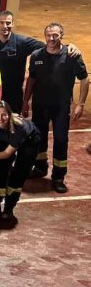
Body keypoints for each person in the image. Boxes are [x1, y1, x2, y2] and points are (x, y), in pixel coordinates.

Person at [23, 22, 88, 192]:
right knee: (38, 138)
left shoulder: (72, 55)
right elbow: (32, 79)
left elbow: (84, 78)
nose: (51, 39)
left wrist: (80, 104)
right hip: (40, 106)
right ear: (44, 36)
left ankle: (58, 176)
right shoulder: (36, 55)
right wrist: (25, 102)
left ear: (62, 36)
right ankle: (40, 167)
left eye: (55, 35)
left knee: (60, 140)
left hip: (60, 108)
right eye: (48, 35)